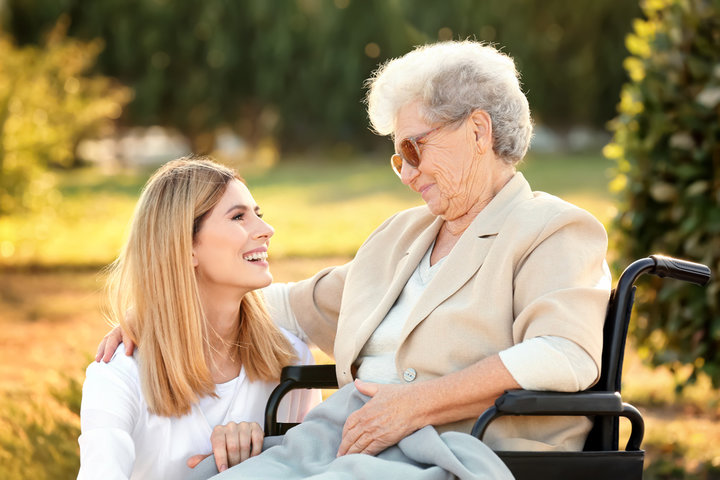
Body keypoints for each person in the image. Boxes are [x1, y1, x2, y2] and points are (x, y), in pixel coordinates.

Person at [99, 40, 611, 476]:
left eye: (415, 149)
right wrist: (157, 311)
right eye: (397, 158)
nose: (407, 174)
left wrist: (416, 405)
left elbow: (563, 354)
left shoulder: (552, 229)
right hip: (348, 445)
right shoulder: (402, 236)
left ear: (478, 132)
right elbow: (286, 305)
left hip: (463, 454)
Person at [79, 158, 320, 479]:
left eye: (258, 215)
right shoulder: (118, 373)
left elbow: (313, 467)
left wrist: (261, 458)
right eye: (238, 217)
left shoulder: (290, 358)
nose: (266, 230)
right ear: (185, 246)